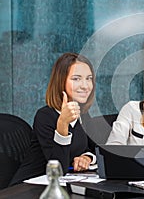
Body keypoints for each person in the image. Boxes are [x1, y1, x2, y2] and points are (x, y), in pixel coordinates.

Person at [10, 52, 97, 185]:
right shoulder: (45, 116)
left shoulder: (82, 114)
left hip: (61, 186)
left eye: (89, 78)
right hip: (29, 188)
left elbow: (93, 148)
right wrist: (62, 123)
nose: (85, 86)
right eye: (76, 79)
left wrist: (87, 157)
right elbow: (58, 168)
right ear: (61, 82)